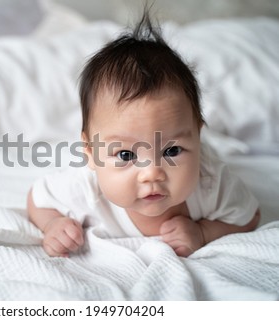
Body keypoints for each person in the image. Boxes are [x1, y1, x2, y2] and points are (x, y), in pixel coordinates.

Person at [27, 13, 260, 258]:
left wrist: (203, 231)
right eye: (126, 154)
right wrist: (53, 225)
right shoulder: (85, 188)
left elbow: (249, 216)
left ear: (197, 138)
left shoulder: (212, 184)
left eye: (171, 151)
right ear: (91, 153)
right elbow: (38, 199)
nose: (151, 173)